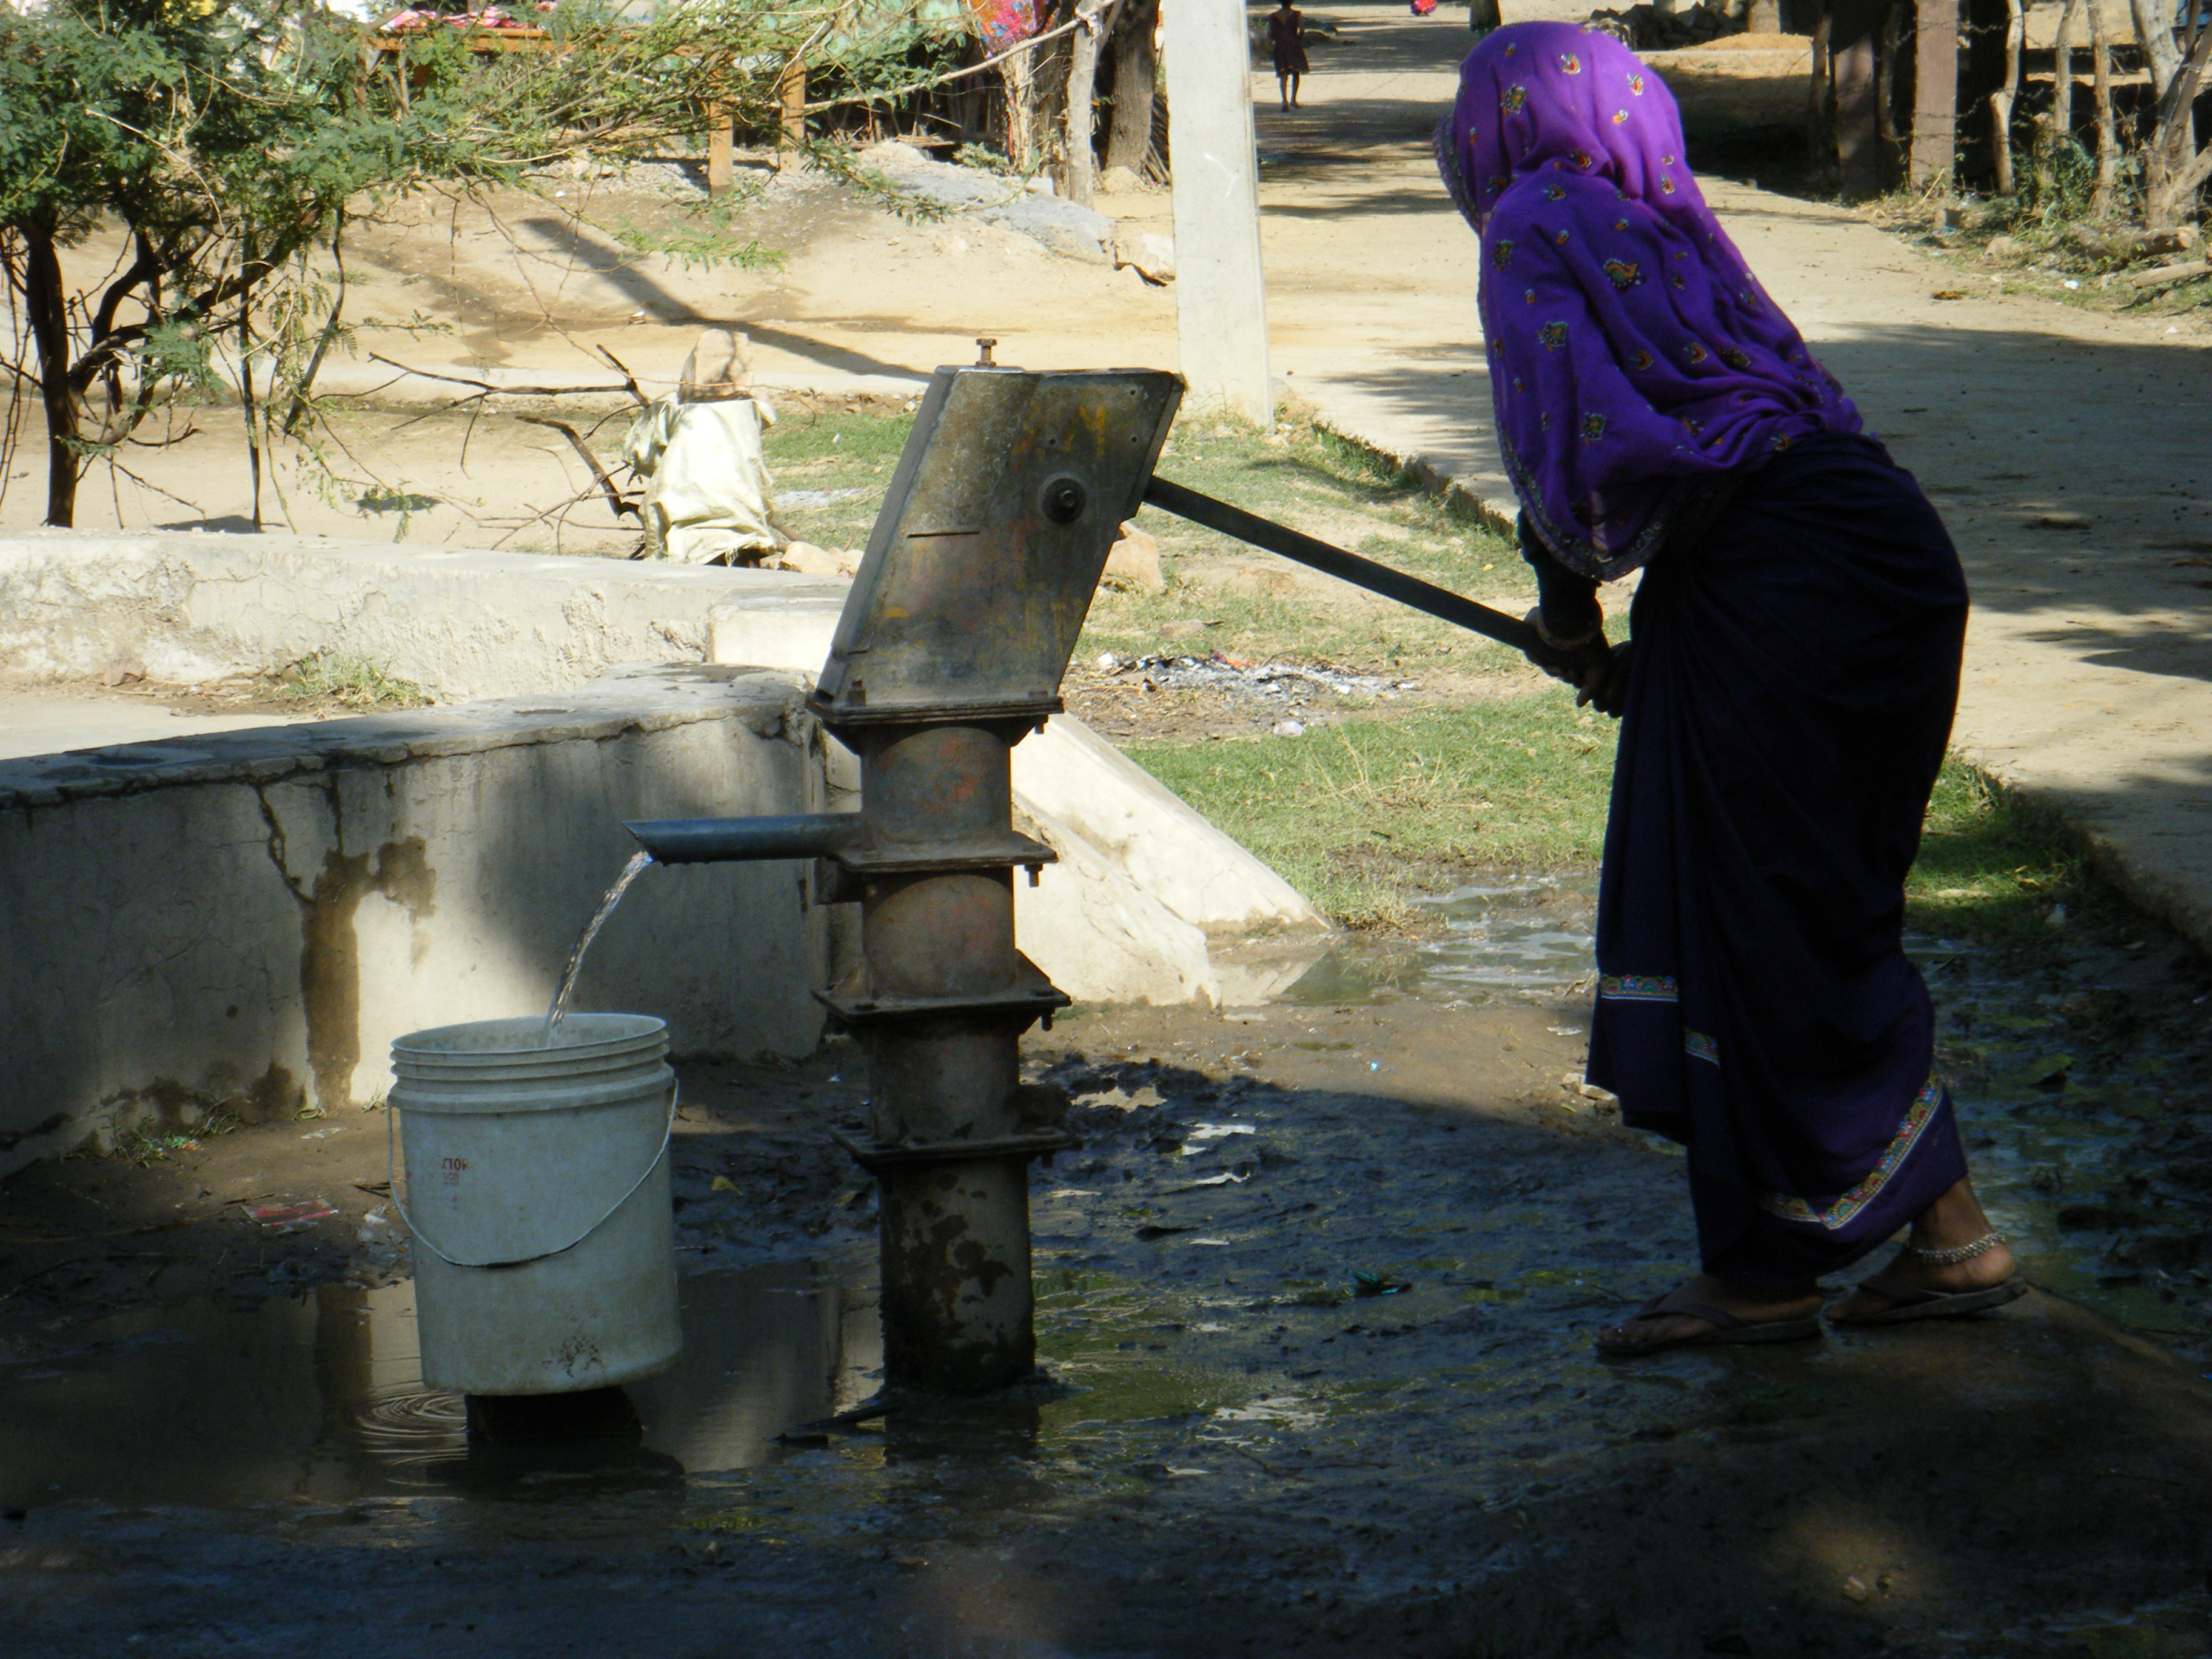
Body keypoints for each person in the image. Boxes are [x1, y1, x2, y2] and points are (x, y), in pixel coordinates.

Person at [1434, 22, 2027, 1356]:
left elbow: (1574, 446)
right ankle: (1933, 1245)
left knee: (1756, 922)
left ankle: (1775, 1279)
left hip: (1774, 586)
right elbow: (1734, 418)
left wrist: (1570, 618)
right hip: (1880, 553)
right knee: (1810, 911)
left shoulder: (1531, 221)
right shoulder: (1667, 218)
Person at [1267, 0, 1309, 110]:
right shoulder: (1296, 15)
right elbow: (1302, 30)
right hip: (1294, 46)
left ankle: (1284, 101)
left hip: (1280, 47)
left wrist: (1276, 40)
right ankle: (1293, 100)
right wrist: (1298, 40)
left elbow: (1270, 34)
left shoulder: (1273, 16)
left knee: (1283, 74)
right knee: (1296, 73)